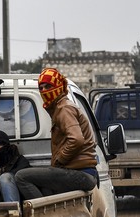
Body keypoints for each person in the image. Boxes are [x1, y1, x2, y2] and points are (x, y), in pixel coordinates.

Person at [15, 68, 98, 199]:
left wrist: (60, 160)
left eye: (48, 86)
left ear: (59, 86)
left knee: (21, 177)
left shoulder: (64, 108)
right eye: (41, 88)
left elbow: (76, 139)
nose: (43, 91)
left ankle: (43, 214)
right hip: (82, 173)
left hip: (82, 173)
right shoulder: (60, 108)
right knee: (44, 185)